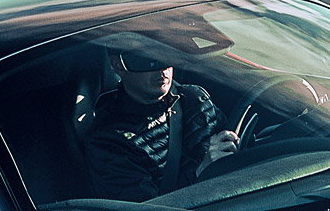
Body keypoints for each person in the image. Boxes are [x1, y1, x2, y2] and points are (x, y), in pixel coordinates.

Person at [84, 50, 239, 199]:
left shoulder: (195, 99)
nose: (162, 69)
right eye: (147, 59)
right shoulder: (108, 140)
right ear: (119, 66)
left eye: (167, 54)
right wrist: (201, 172)